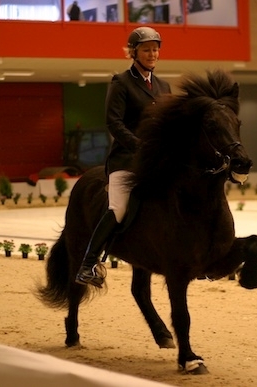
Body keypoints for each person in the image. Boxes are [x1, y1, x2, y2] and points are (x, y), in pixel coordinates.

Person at [75, 26, 171, 287]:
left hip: (154, 162)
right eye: (146, 49)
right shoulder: (121, 82)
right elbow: (114, 123)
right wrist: (140, 146)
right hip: (126, 159)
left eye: (155, 49)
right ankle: (88, 264)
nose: (152, 54)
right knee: (118, 208)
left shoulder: (163, 85)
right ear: (133, 52)